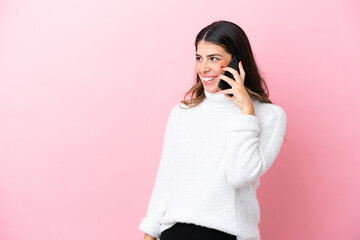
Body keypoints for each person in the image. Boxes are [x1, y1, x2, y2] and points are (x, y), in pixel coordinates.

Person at [139, 20, 287, 240]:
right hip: (175, 232)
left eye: (214, 58)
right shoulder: (182, 113)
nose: (203, 68)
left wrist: (246, 111)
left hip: (228, 235)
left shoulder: (269, 116)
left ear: (238, 63)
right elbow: (167, 180)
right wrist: (149, 234)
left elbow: (240, 176)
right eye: (199, 58)